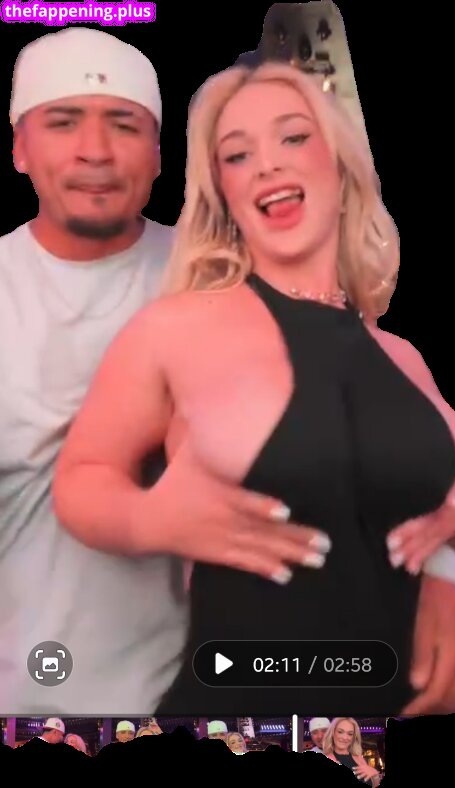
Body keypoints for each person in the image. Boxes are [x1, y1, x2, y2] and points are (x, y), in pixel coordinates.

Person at [53, 60, 455, 716]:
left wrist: (450, 550)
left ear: (339, 166)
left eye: (293, 137)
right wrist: (150, 518)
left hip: (393, 715)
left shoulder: (402, 355)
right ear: (223, 192)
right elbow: (82, 478)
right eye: (237, 154)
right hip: (241, 717)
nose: (267, 165)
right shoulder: (175, 328)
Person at [0, 25, 183, 716]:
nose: (96, 151)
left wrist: (442, 575)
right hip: (23, 699)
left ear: (158, 153)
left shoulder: (218, 275)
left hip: (199, 692)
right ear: (19, 147)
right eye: (64, 121)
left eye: (124, 124)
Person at [323, 717, 380, 786]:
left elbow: (374, 785)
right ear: (332, 733)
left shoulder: (359, 758)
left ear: (353, 737)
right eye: (340, 732)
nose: (345, 738)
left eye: (350, 734)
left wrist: (375, 775)